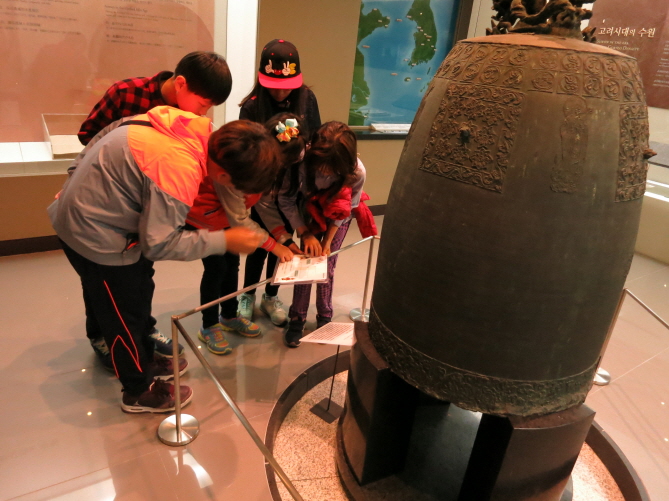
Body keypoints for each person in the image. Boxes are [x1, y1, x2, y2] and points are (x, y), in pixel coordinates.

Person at [49, 106, 281, 412]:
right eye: (236, 188)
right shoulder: (179, 170)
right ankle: (138, 390)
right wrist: (224, 239)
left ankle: (143, 357)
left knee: (136, 292)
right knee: (123, 315)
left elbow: (113, 128)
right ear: (223, 175)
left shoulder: (194, 128)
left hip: (94, 218)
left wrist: (73, 178)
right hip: (95, 236)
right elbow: (158, 244)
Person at [76, 51, 232, 366]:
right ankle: (102, 336)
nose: (205, 112)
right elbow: (89, 137)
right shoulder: (126, 94)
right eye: (203, 104)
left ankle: (143, 329)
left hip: (150, 211)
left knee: (141, 277)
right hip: (110, 211)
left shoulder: (191, 120)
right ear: (181, 83)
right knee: (102, 280)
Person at [185, 117, 301, 355]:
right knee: (216, 269)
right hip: (206, 222)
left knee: (231, 266)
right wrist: (274, 245)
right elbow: (240, 218)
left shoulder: (259, 169)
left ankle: (228, 315)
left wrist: (283, 238)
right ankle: (209, 325)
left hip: (226, 220)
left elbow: (251, 211)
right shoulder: (235, 173)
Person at [237, 39, 321, 326]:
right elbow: (246, 152)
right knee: (262, 244)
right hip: (260, 186)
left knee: (284, 243)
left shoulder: (307, 99)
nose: (281, 90)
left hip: (292, 186)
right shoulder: (251, 107)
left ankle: (271, 294)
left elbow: (315, 140)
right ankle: (247, 295)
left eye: (287, 85)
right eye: (273, 85)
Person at [278, 121, 369, 347]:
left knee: (326, 264)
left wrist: (328, 241)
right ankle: (297, 317)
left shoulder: (357, 171)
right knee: (307, 262)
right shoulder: (300, 162)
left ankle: (324, 316)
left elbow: (347, 210)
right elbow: (286, 199)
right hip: (307, 211)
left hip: (338, 213)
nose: (326, 172)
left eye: (333, 167)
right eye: (322, 165)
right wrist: (305, 233)